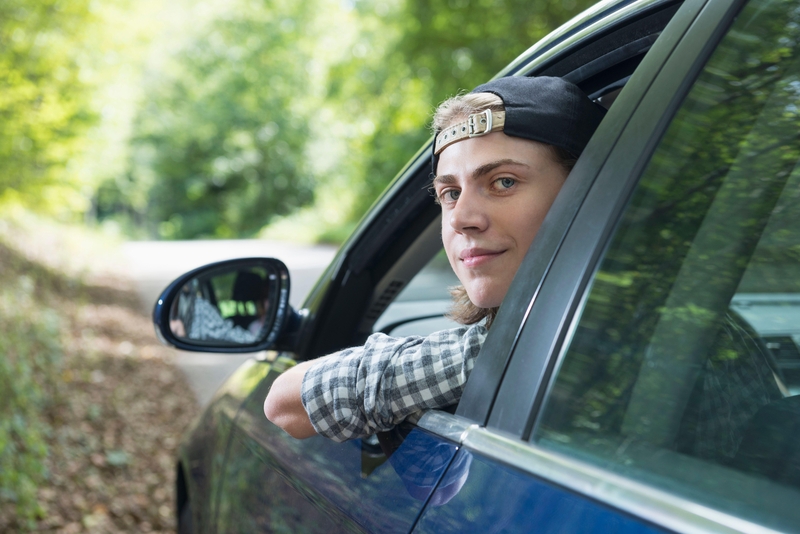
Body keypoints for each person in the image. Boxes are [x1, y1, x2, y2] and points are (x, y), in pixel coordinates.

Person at [264, 76, 606, 442]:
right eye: (450, 193)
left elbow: (285, 402)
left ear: (587, 191)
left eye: (503, 182)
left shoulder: (511, 350)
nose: (460, 218)